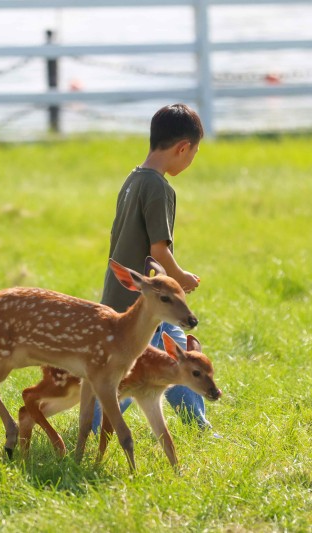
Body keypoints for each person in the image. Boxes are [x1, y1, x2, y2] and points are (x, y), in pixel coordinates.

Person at [93, 103, 210, 431]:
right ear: (182, 148)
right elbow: (159, 249)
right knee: (165, 364)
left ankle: (197, 424)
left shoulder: (133, 179)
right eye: (194, 153)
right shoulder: (159, 188)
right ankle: (98, 426)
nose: (191, 160)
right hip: (146, 303)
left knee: (163, 359)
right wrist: (180, 277)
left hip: (121, 294)